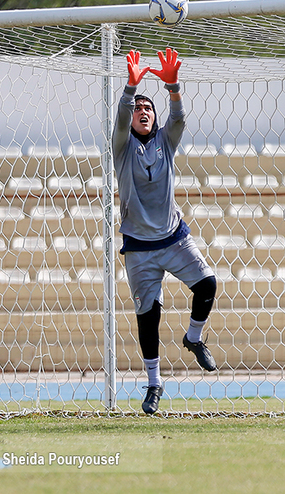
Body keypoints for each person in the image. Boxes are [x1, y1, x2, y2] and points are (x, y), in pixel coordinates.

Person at [113, 48, 219, 415]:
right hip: (139, 247)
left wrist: (172, 86)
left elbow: (178, 117)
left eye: (148, 108)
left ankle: (193, 338)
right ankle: (154, 384)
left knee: (207, 284)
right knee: (149, 317)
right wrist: (131, 87)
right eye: (137, 109)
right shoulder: (121, 148)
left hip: (174, 237)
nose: (143, 111)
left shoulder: (165, 143)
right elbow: (123, 114)